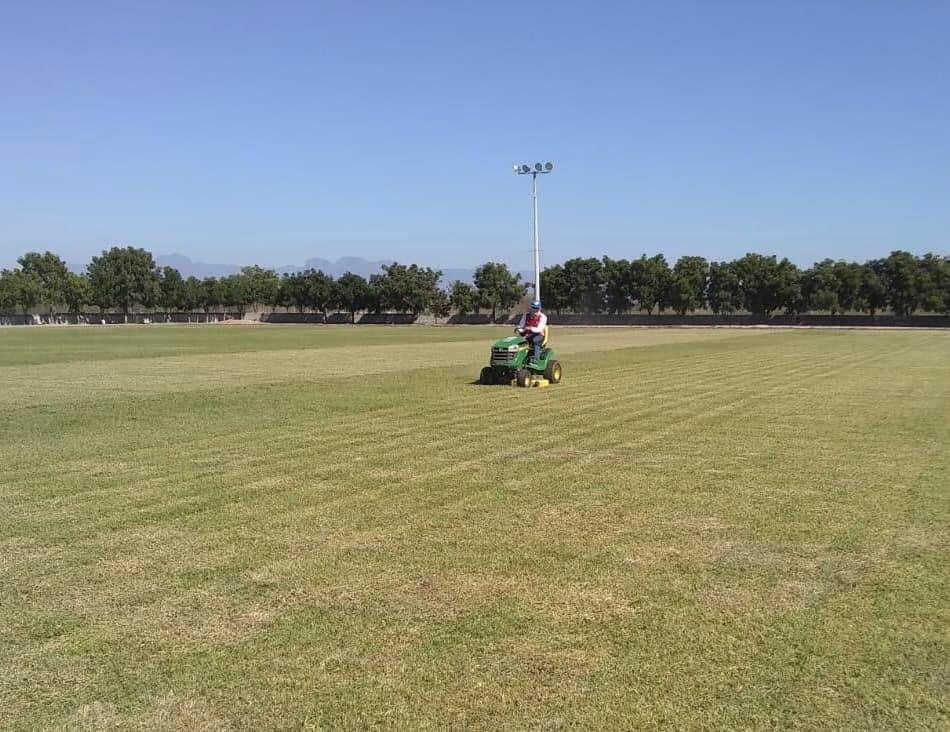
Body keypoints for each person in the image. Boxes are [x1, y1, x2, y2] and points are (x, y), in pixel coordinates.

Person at [516, 300, 547, 364]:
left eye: (536, 308)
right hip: (527, 334)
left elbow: (539, 329)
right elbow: (521, 325)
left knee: (535, 340)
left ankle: (536, 359)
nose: (534, 310)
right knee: (517, 341)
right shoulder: (526, 315)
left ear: (539, 308)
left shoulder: (543, 317)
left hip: (538, 335)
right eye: (533, 308)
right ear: (531, 308)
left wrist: (530, 328)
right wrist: (519, 329)